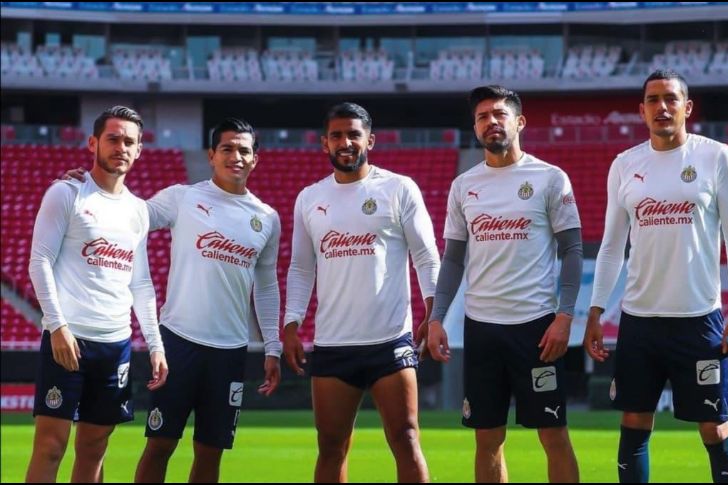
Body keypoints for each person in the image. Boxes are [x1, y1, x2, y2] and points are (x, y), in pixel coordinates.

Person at [66, 118, 281, 483]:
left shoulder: (266, 218)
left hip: (230, 351)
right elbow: (125, 216)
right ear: (211, 156)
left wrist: (272, 346)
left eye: (244, 150)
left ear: (255, 159)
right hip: (179, 343)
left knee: (211, 453)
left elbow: (266, 286)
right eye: (227, 148)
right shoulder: (183, 197)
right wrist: (90, 186)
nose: (236, 156)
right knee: (160, 444)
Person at [583, 70, 728, 483]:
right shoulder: (624, 164)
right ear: (641, 111)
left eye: (671, 99)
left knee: (714, 427)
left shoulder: (715, 156)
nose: (662, 106)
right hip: (639, 321)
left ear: (687, 108)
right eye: (653, 100)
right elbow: (611, 246)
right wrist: (595, 310)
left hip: (700, 319)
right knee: (635, 422)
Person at [425, 85, 582, 483]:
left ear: (519, 121)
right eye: (482, 117)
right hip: (482, 330)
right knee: (487, 438)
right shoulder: (464, 186)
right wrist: (437, 317)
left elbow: (572, 250)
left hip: (536, 328)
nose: (490, 122)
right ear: (475, 127)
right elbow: (454, 258)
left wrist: (564, 316)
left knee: (553, 433)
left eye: (499, 114)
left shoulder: (549, 178)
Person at [282, 102, 440, 483]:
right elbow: (302, 267)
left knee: (405, 438)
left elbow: (426, 254)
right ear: (325, 144)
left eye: (354, 134)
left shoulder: (398, 188)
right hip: (334, 343)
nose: (346, 142)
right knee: (332, 446)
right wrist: (291, 323)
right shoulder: (309, 198)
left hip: (390, 339)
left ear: (370, 139)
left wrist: (434, 313)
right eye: (337, 135)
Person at [26, 106, 168, 483]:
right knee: (51, 446)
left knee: (94, 449)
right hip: (68, 340)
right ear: (93, 143)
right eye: (113, 138)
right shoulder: (66, 193)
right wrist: (57, 326)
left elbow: (141, 283)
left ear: (139, 150)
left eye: (129, 141)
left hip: (115, 345)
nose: (121, 147)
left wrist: (155, 344)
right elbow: (38, 261)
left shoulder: (138, 211)